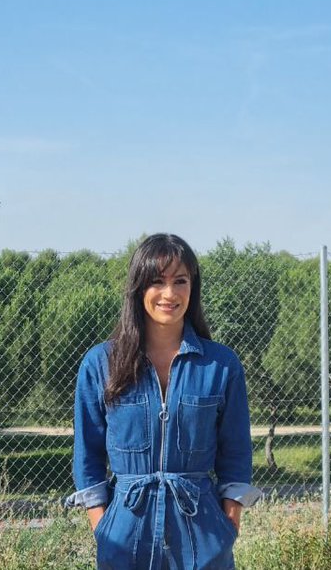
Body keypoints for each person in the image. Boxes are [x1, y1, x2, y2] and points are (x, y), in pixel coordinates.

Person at [68, 233, 262, 569]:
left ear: (193, 287)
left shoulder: (221, 364)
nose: (169, 293)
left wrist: (228, 523)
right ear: (138, 287)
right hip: (124, 540)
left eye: (180, 281)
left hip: (202, 539)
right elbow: (88, 454)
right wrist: (104, 526)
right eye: (157, 281)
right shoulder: (101, 364)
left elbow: (236, 450)